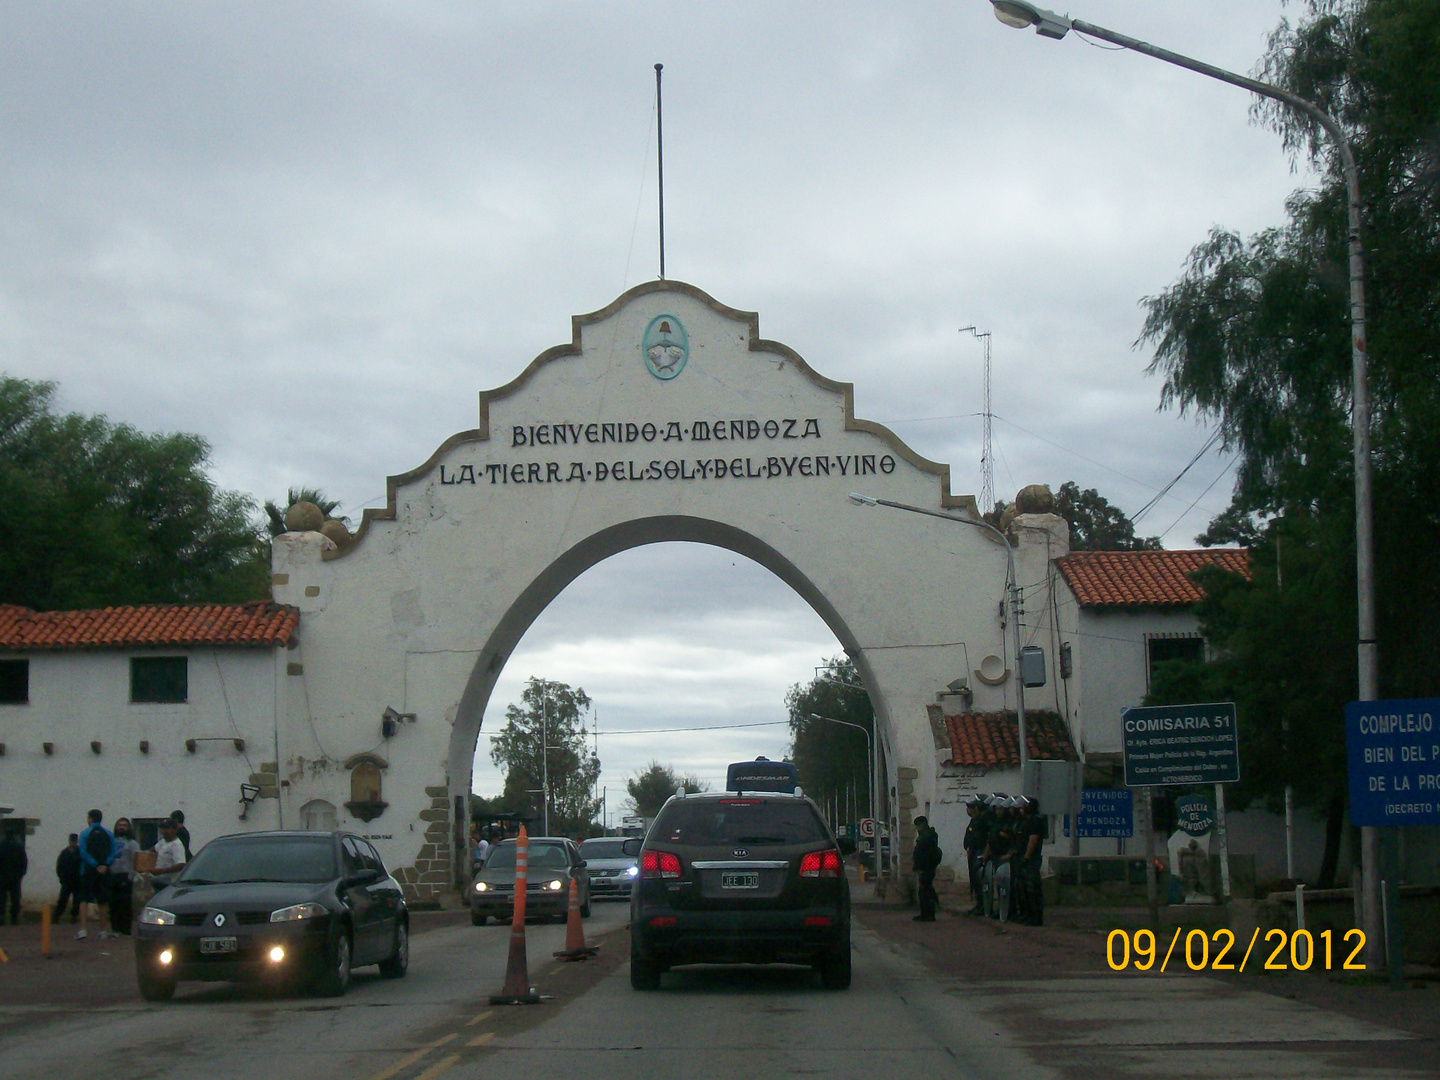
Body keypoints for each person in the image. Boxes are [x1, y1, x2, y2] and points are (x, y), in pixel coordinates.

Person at [76, 809, 115, 940]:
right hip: (104, 869)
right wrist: (105, 864)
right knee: (103, 900)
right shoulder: (108, 834)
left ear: (90, 819)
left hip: (88, 870)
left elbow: (83, 852)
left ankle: (83, 929)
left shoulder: (85, 833)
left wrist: (94, 864)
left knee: (84, 900)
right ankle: (103, 930)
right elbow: (113, 851)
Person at [1014, 796, 1046, 926]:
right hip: (1023, 857)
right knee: (1023, 889)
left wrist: (1026, 857)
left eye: (1023, 807)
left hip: (1031, 859)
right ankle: (1026, 914)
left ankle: (1035, 916)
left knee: (1032, 888)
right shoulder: (1023, 822)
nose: (1020, 809)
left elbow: (1033, 840)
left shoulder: (1035, 821)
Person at [108, 817, 140, 936]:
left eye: (124, 825)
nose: (121, 827)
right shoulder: (112, 842)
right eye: (119, 825)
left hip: (125, 876)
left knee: (124, 904)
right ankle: (114, 929)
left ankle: (125, 929)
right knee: (113, 903)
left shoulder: (132, 843)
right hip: (113, 875)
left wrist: (131, 876)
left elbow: (136, 860)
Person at [911, 814, 941, 922]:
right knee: (925, 890)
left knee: (925, 891)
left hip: (926, 867)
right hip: (928, 866)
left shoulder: (925, 837)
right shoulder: (929, 835)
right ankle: (926, 912)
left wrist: (918, 865)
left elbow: (923, 853)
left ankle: (928, 913)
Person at [962, 795, 989, 916]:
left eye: (970, 807)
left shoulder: (982, 821)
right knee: (974, 880)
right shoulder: (975, 820)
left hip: (979, 851)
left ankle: (983, 905)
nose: (968, 809)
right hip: (973, 852)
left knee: (979, 880)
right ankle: (979, 904)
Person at [0, 829, 27, 924]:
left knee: (2, 898)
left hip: (2, 877)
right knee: (15, 898)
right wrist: (21, 874)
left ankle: (1, 916)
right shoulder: (19, 848)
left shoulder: (1, 847)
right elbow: (24, 862)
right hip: (15, 877)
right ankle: (14, 917)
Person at [151, 817, 187, 887]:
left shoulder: (176, 845)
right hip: (158, 880)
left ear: (175, 830)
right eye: (162, 828)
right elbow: (153, 850)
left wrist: (161, 871)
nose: (164, 831)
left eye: (167, 828)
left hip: (169, 883)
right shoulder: (163, 841)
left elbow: (181, 865)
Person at [54, 834, 82, 923]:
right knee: (62, 899)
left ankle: (74, 917)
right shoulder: (64, 853)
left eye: (75, 841)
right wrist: (61, 878)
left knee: (77, 901)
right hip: (66, 880)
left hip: (77, 880)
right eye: (72, 841)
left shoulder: (80, 852)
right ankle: (56, 916)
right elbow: (59, 866)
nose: (73, 843)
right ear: (69, 841)